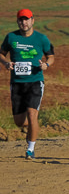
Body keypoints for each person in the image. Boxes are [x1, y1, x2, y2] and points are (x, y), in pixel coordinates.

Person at [1, 10, 54, 160]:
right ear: (17, 21)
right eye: (21, 20)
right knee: (19, 122)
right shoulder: (11, 37)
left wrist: (46, 65)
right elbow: (1, 53)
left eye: (26, 20)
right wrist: (5, 63)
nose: (24, 23)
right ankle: (33, 126)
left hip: (35, 81)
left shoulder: (41, 38)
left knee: (32, 114)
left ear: (33, 20)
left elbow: (51, 56)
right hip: (17, 83)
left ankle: (30, 149)